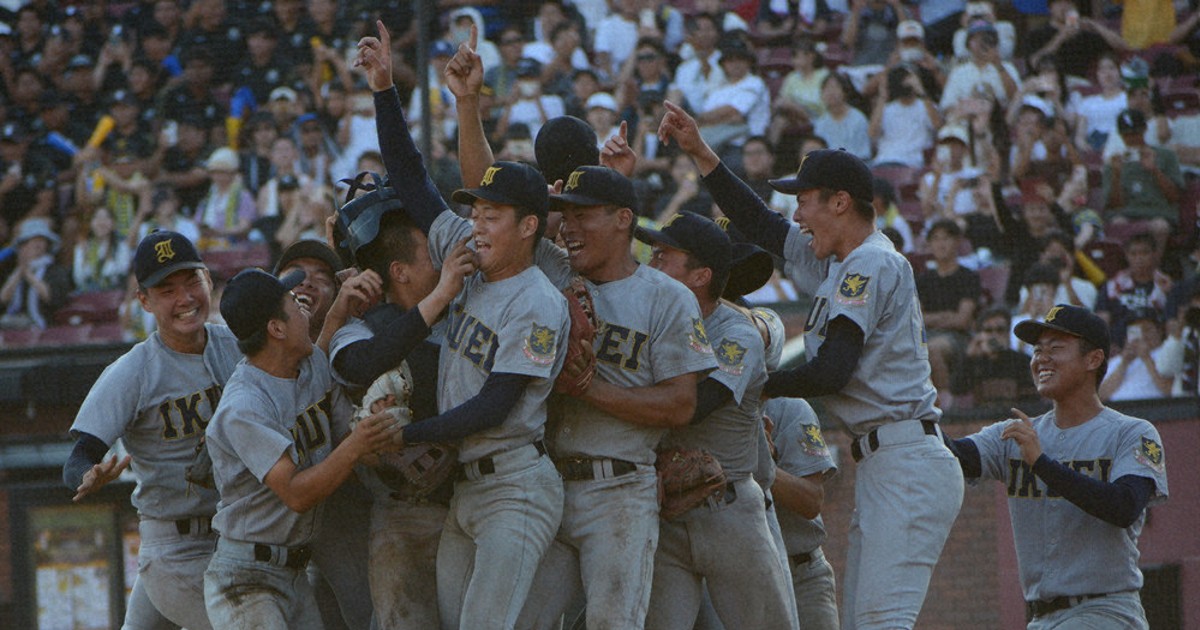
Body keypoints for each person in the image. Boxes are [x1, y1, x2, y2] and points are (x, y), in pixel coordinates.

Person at [658, 103, 964, 628]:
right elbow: (760, 223)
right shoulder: (839, 257)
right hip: (886, 456)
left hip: (906, 456)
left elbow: (830, 373)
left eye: (804, 201)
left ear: (840, 202)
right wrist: (700, 152)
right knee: (868, 619)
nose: (797, 214)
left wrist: (753, 388)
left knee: (880, 621)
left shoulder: (870, 261)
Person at [357, 22, 571, 629]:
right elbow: (410, 179)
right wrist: (383, 91)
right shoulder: (467, 255)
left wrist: (408, 434)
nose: (476, 222)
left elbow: (496, 406)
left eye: (493, 214)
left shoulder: (538, 300)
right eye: (476, 210)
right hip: (467, 492)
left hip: (514, 486)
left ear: (529, 226)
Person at [946, 305, 1168, 628]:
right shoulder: (1017, 432)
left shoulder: (1133, 432)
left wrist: (1042, 464)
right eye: (1037, 350)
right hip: (1041, 619)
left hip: (1105, 612)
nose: (1041, 359)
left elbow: (1124, 506)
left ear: (1093, 359)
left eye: (1055, 348)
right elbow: (952, 453)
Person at [202, 268, 396, 629]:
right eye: (293, 303)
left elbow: (348, 435)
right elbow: (295, 493)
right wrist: (357, 444)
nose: (303, 307)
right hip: (247, 580)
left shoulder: (307, 364)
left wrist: (373, 426)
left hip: (292, 572)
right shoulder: (244, 405)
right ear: (276, 329)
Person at [62, 230, 237, 630]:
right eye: (167, 289)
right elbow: (80, 453)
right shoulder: (132, 371)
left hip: (236, 534)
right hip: (176, 545)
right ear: (144, 300)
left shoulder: (238, 345)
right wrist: (87, 475)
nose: (185, 298)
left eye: (192, 280)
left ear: (209, 279)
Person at [636, 212, 796, 629]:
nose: (651, 265)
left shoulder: (736, 332)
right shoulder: (656, 323)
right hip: (668, 511)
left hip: (727, 508)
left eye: (663, 256)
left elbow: (693, 406)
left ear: (700, 275)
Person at [766, 396, 840, 630]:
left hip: (801, 571)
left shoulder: (790, 408)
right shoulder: (706, 407)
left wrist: (760, 465)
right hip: (732, 578)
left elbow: (811, 500)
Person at [951, 307, 1038, 405]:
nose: (994, 335)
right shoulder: (972, 362)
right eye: (988, 330)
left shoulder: (1023, 361)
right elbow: (956, 391)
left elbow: (1031, 401)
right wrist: (968, 357)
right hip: (982, 418)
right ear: (980, 335)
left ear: (1008, 333)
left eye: (1000, 330)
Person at [1, 217, 71, 329]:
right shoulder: (12, 270)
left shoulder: (55, 270)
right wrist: (19, 272)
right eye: (32, 241)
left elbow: (52, 297)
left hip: (44, 324)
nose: (37, 245)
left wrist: (29, 275)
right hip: (14, 322)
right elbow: (3, 298)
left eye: (41, 241)